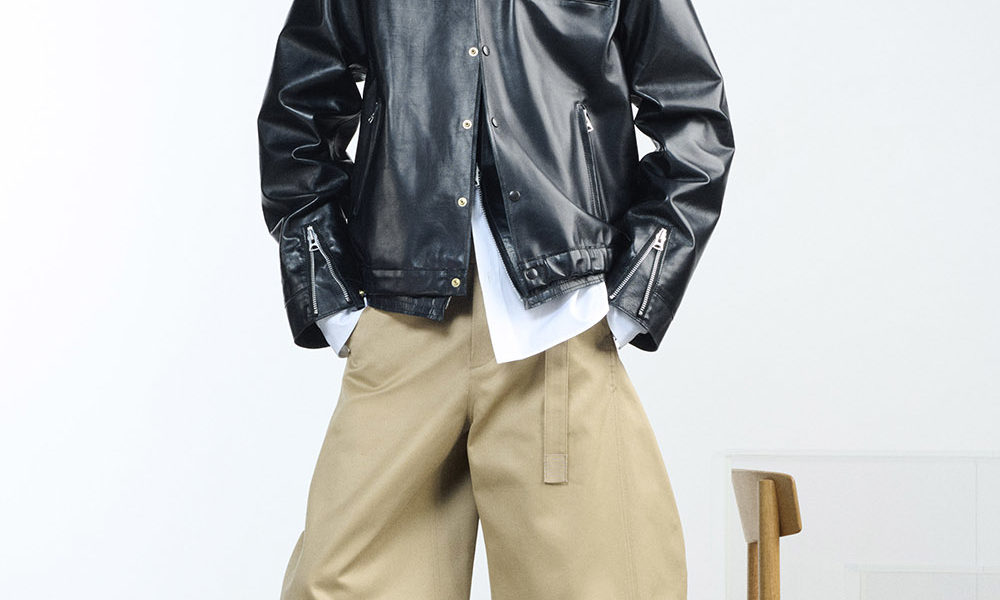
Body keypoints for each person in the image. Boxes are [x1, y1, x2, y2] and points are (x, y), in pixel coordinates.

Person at [256, 0, 735, 596]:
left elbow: (694, 115)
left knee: (596, 584)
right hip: (401, 316)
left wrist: (629, 298)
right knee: (340, 582)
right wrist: (335, 305)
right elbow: (297, 110)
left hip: (561, 324)